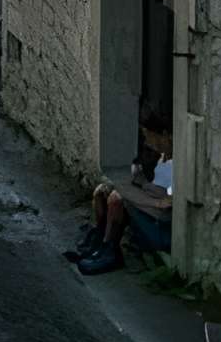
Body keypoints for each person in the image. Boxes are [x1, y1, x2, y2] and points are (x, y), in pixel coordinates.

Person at [67, 117, 173, 274]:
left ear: (165, 135)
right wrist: (139, 182)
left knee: (117, 199)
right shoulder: (162, 157)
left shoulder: (178, 164)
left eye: (150, 135)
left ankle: (110, 251)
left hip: (159, 224)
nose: (148, 141)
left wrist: (139, 198)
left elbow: (166, 206)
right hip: (151, 205)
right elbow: (152, 187)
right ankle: (99, 242)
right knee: (102, 192)